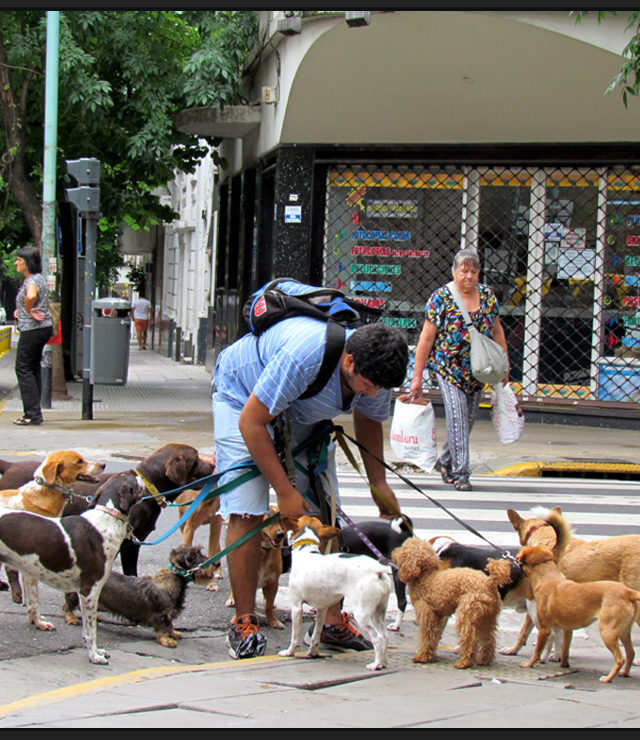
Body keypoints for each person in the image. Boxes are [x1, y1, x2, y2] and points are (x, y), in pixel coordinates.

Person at [213, 318, 409, 659]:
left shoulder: (375, 371)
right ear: (349, 362)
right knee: (247, 508)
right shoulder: (305, 355)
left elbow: (369, 417)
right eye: (369, 385)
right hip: (242, 398)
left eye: (381, 389)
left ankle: (331, 621)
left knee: (321, 507)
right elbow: (251, 422)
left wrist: (378, 483)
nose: (374, 393)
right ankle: (244, 620)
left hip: (301, 408)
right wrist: (284, 491)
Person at [408, 248, 509, 492]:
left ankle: (445, 461)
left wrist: (504, 365)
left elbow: (497, 331)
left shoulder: (487, 297)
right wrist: (417, 377)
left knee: (468, 421)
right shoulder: (441, 298)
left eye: (474, 270)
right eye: (464, 270)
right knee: (458, 418)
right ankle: (461, 472)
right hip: (447, 369)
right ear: (454, 271)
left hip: (478, 371)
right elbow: (425, 340)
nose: (469, 275)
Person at [12, 246, 52, 426]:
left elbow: (31, 296)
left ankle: (31, 413)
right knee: (33, 367)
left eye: (19, 260)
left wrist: (28, 311)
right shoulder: (37, 279)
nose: (16, 263)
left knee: (22, 367)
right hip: (41, 328)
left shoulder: (32, 281)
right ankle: (34, 412)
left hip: (33, 329)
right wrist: (20, 311)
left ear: (27, 263)